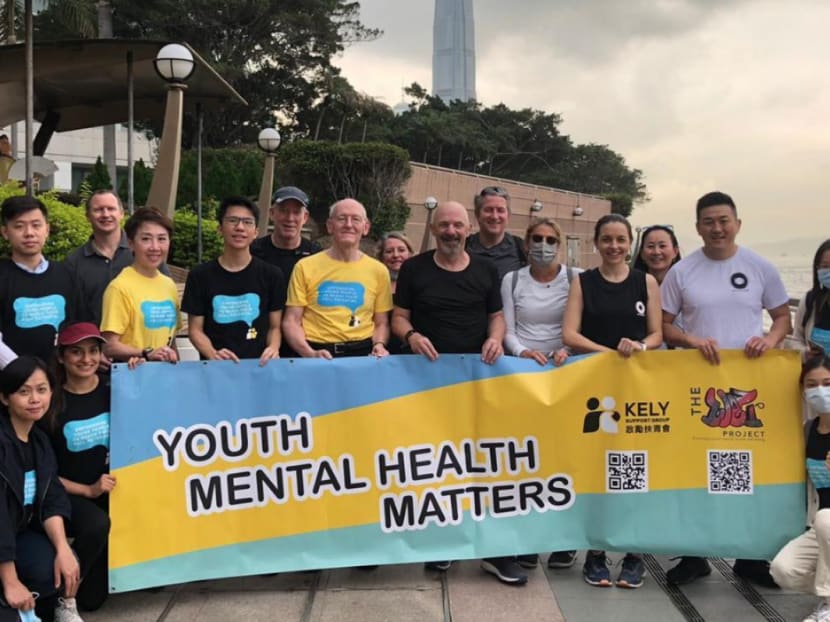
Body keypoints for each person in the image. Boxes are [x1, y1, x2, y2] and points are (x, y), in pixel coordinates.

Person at [392, 201, 527, 586]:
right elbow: (399, 316)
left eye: (457, 225)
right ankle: (443, 543)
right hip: (428, 383)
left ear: (467, 229)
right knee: (440, 464)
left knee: (490, 464)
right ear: (433, 229)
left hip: (481, 380)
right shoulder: (415, 268)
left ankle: (497, 552)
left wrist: (496, 339)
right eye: (444, 225)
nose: (451, 231)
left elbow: (496, 317)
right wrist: (412, 335)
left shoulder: (486, 269)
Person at [661, 191, 791, 586]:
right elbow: (665, 325)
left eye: (723, 220)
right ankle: (694, 555)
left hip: (749, 392)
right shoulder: (682, 272)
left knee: (745, 472)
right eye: (708, 222)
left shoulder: (760, 267)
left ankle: (751, 558)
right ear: (697, 227)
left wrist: (769, 342)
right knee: (695, 471)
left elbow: (783, 318)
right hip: (699, 391)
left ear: (737, 222)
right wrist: (690, 341)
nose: (717, 228)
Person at [562, 214, 662, 589]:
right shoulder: (582, 282)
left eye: (621, 240)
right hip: (594, 391)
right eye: (607, 239)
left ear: (630, 243)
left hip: (636, 390)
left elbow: (655, 333)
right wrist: (605, 353)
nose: (614, 246)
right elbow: (569, 333)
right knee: (597, 468)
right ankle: (597, 554)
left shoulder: (645, 281)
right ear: (596, 242)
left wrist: (637, 347)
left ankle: (635, 555)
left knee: (635, 467)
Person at [502, 217, 580, 571]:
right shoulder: (512, 279)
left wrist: (565, 349)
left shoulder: (576, 278)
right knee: (528, 459)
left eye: (550, 239)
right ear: (526, 243)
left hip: (566, 373)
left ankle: (565, 539)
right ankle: (530, 538)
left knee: (565, 458)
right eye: (537, 238)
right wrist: (522, 353)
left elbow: (581, 323)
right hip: (524, 375)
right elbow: (508, 329)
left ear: (559, 244)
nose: (543, 245)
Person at [0, 356, 84, 622]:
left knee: (62, 567)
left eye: (41, 389)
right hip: (4, 539)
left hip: (18, 533)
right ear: (5, 398)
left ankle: (58, 605)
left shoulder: (39, 441)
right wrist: (10, 579)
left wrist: (63, 549)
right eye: (23, 392)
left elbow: (52, 499)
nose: (35, 399)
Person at [47, 324, 112, 613]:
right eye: (76, 352)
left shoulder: (116, 388)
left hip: (110, 488)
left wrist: (143, 365)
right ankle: (64, 595)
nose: (87, 359)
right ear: (61, 357)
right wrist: (87, 490)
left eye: (93, 351)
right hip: (69, 494)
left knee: (94, 601)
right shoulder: (49, 404)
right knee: (97, 524)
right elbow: (44, 473)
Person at [283, 199, 391, 359]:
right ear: (329, 226)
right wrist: (309, 353)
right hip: (315, 352)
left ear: (365, 227)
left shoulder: (379, 271)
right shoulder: (305, 267)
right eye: (341, 218)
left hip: (362, 354)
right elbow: (291, 321)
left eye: (355, 219)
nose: (348, 224)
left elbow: (381, 322)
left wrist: (379, 345)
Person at [182, 197, 285, 364]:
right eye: (232, 221)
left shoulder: (272, 275)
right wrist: (212, 353)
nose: (240, 227)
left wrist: (273, 348)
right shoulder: (199, 276)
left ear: (256, 232)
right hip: (216, 369)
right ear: (220, 229)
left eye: (247, 222)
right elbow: (195, 330)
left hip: (259, 367)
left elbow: (275, 327)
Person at [770, 355, 830, 622]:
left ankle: (828, 602)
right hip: (822, 529)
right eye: (811, 384)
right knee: (783, 570)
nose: (820, 391)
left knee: (825, 519)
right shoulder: (808, 430)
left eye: (828, 383)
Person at [65, 190, 170, 326]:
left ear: (121, 214)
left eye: (111, 209)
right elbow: (73, 313)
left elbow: (164, 297)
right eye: (98, 210)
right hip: (95, 343)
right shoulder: (74, 262)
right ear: (87, 216)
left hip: (143, 342)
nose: (106, 214)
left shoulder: (145, 252)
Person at [0, 196, 79, 363]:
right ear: (5, 232)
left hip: (62, 379)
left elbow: (79, 324)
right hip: (12, 381)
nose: (29, 233)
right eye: (19, 226)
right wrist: (22, 371)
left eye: (36, 225)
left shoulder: (66, 274)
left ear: (47, 230)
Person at [100, 207, 180, 364]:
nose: (155, 247)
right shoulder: (119, 287)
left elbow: (171, 339)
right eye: (146, 239)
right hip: (133, 376)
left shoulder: (168, 284)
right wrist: (146, 353)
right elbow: (109, 346)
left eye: (162, 239)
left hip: (164, 376)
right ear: (131, 244)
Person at [466, 186, 526, 279]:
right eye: (488, 210)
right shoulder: (464, 247)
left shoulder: (522, 249)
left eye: (500, 210)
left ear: (508, 215)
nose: (494, 216)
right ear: (477, 214)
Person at [793, 240, 830, 360]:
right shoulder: (810, 301)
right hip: (816, 375)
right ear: (817, 268)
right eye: (825, 266)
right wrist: (805, 353)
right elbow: (796, 340)